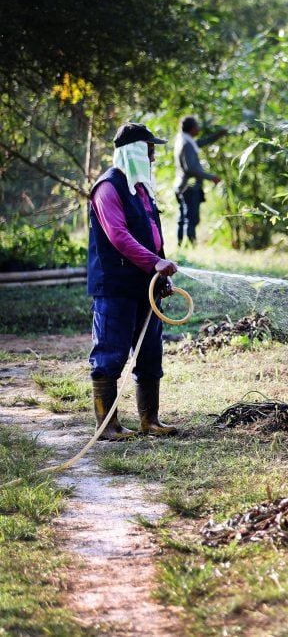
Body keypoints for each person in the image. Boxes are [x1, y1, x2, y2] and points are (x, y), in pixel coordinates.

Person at [88, 122, 180, 439]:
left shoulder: (140, 190)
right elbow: (119, 236)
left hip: (146, 286)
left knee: (150, 353)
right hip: (115, 287)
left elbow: (153, 235)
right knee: (110, 354)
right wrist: (155, 263)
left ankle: (149, 420)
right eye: (150, 150)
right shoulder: (108, 188)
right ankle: (107, 426)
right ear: (136, 152)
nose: (153, 157)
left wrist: (161, 274)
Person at [173, 115, 225, 246]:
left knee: (184, 217)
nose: (199, 128)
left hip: (181, 185)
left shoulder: (184, 140)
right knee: (192, 218)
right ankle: (191, 245)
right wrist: (211, 177)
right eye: (197, 125)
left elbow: (201, 142)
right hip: (189, 187)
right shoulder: (187, 143)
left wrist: (217, 136)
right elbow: (190, 168)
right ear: (191, 128)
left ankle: (181, 244)